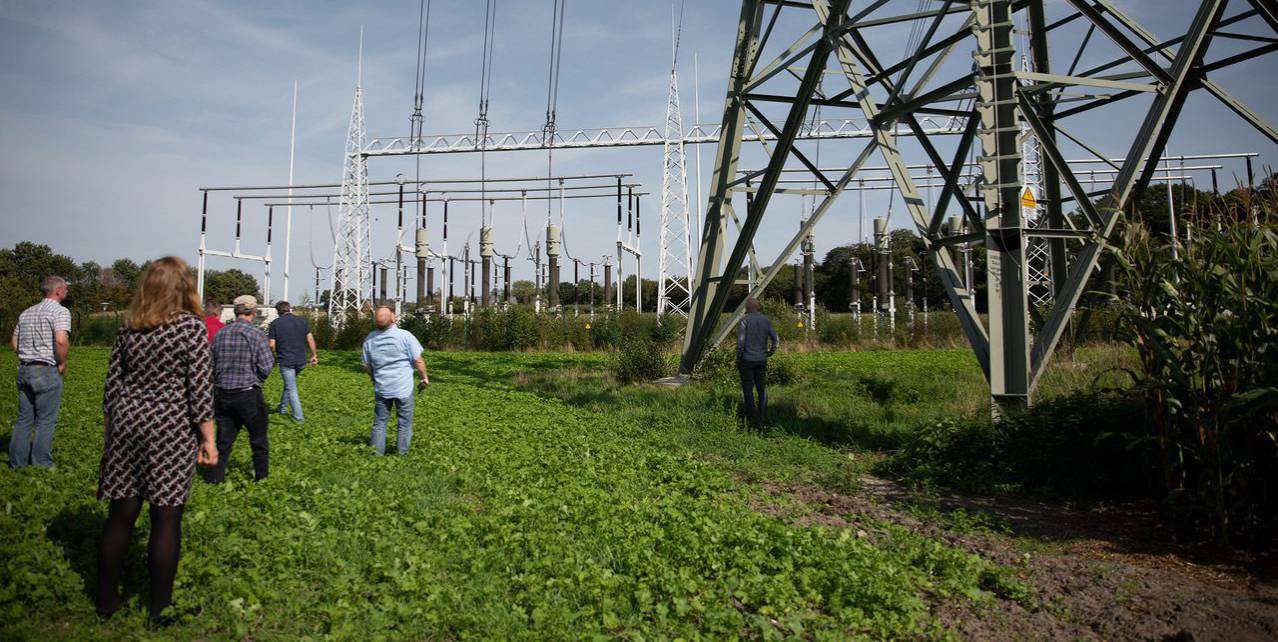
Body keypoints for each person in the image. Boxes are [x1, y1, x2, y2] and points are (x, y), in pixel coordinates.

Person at [96, 257, 218, 623]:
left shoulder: (130, 327)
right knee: (166, 517)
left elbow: (111, 388)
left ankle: (105, 600)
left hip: (126, 422)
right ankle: (160, 607)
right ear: (184, 287)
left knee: (121, 515)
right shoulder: (190, 329)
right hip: (170, 427)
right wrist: (208, 439)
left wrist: (110, 436)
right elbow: (199, 390)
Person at [205, 295, 274, 483]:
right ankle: (261, 478)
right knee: (258, 440)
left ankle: (214, 478)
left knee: (223, 441)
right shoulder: (256, 334)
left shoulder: (220, 334)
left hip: (222, 393)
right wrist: (256, 379)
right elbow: (267, 365)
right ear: (253, 311)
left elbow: (210, 365)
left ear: (235, 312)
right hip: (248, 393)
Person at [9, 275, 71, 468]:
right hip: (46, 370)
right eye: (66, 289)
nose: (67, 292)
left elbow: (14, 342)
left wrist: (28, 355)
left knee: (24, 420)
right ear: (58, 291)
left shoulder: (27, 312)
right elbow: (61, 340)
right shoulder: (60, 312)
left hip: (24, 368)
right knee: (46, 421)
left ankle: (16, 463)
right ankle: (41, 464)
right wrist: (61, 362)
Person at [361, 306, 428, 456]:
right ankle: (401, 454)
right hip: (403, 388)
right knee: (404, 423)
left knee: (380, 423)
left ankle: (376, 454)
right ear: (392, 318)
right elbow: (418, 360)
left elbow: (366, 365)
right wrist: (424, 377)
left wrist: (374, 378)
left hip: (382, 388)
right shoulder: (405, 336)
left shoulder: (370, 339)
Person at [267, 301, 318, 423]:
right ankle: (282, 408)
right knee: (289, 385)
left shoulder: (275, 324)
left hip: (286, 361)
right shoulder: (302, 321)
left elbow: (271, 345)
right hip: (301, 361)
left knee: (292, 389)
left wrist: (272, 357)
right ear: (289, 309)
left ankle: (299, 418)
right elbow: (310, 339)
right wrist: (314, 355)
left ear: (278, 311)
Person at [736, 297, 779, 427]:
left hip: (747, 359)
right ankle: (762, 412)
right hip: (762, 359)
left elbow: (740, 343)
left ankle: (751, 414)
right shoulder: (766, 320)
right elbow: (775, 338)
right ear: (758, 307)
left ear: (747, 307)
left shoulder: (744, 321)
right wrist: (770, 352)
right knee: (761, 386)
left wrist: (738, 357)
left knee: (748, 388)